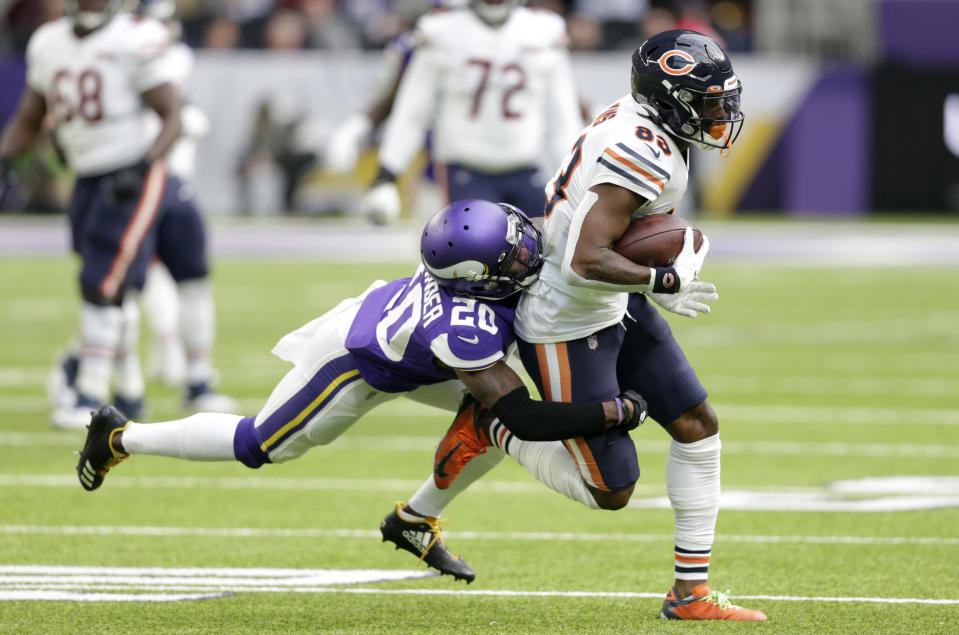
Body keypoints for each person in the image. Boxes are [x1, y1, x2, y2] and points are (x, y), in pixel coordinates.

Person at [391, 30, 768, 621]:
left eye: (723, 100)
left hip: (612, 300)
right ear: (668, 99)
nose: (720, 114)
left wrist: (659, 268)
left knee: (697, 424)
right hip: (567, 316)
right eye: (708, 102)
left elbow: (619, 233)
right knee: (611, 490)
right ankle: (493, 428)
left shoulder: (646, 121)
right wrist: (662, 281)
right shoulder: (643, 151)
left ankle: (689, 595)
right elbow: (586, 258)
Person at [75, 199, 648, 584]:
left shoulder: (472, 274)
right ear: (478, 279)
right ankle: (122, 437)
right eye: (515, 254)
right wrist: (610, 411)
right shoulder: (464, 327)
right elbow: (527, 419)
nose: (529, 252)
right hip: (354, 363)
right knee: (261, 444)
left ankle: (414, 520)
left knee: (488, 419)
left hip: (412, 343)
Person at [359, 0, 583, 225]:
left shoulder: (544, 30)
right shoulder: (441, 29)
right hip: (464, 169)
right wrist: (387, 175)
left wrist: (576, 179)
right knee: (468, 254)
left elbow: (563, 117)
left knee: (547, 252)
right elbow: (412, 112)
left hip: (527, 168)